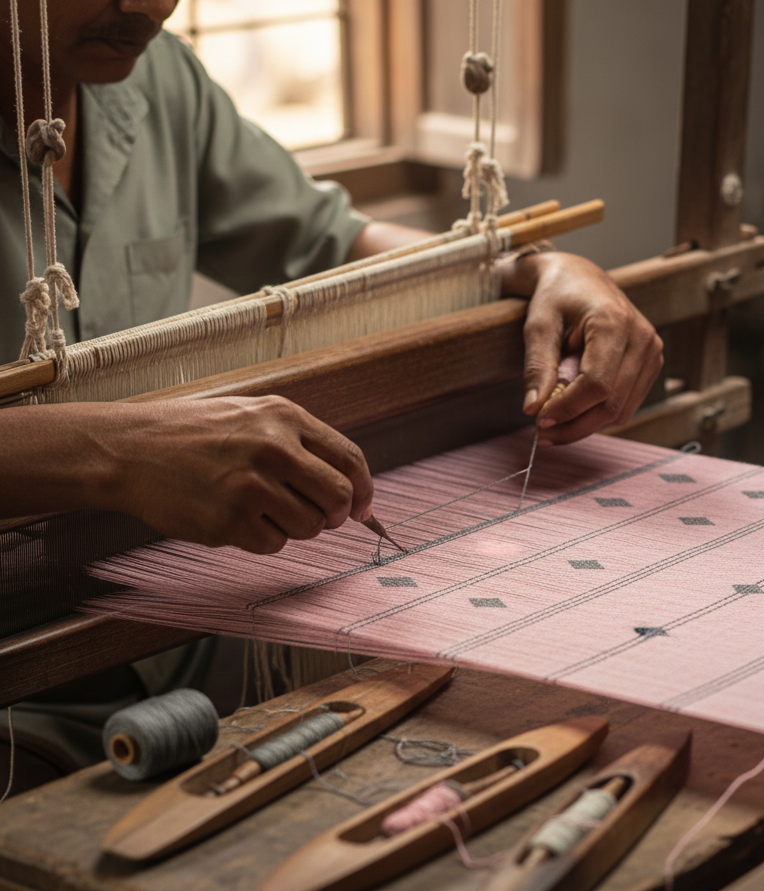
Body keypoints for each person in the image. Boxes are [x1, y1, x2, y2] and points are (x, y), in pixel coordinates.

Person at [0, 0, 664, 554]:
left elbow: (332, 244)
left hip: (161, 618)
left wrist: (534, 268)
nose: (147, 4)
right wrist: (122, 453)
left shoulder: (158, 80)